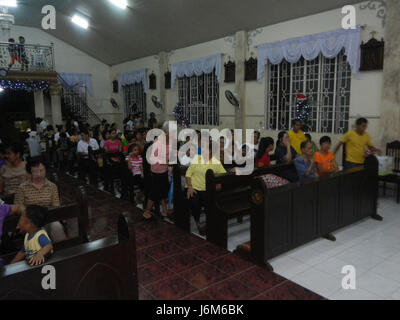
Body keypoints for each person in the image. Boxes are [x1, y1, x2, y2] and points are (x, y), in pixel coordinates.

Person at [186, 140, 226, 235]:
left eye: (205, 149)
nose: (203, 150)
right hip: (194, 187)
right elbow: (188, 174)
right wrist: (190, 186)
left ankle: (209, 224)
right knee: (195, 203)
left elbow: (222, 174)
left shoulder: (216, 162)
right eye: (203, 148)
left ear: (211, 151)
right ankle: (198, 222)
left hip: (207, 189)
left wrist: (219, 183)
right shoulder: (197, 159)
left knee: (210, 205)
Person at [143, 122, 172, 220]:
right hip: (156, 170)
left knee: (163, 191)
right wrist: (167, 163)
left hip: (164, 170)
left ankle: (164, 211)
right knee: (154, 192)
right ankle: (146, 212)